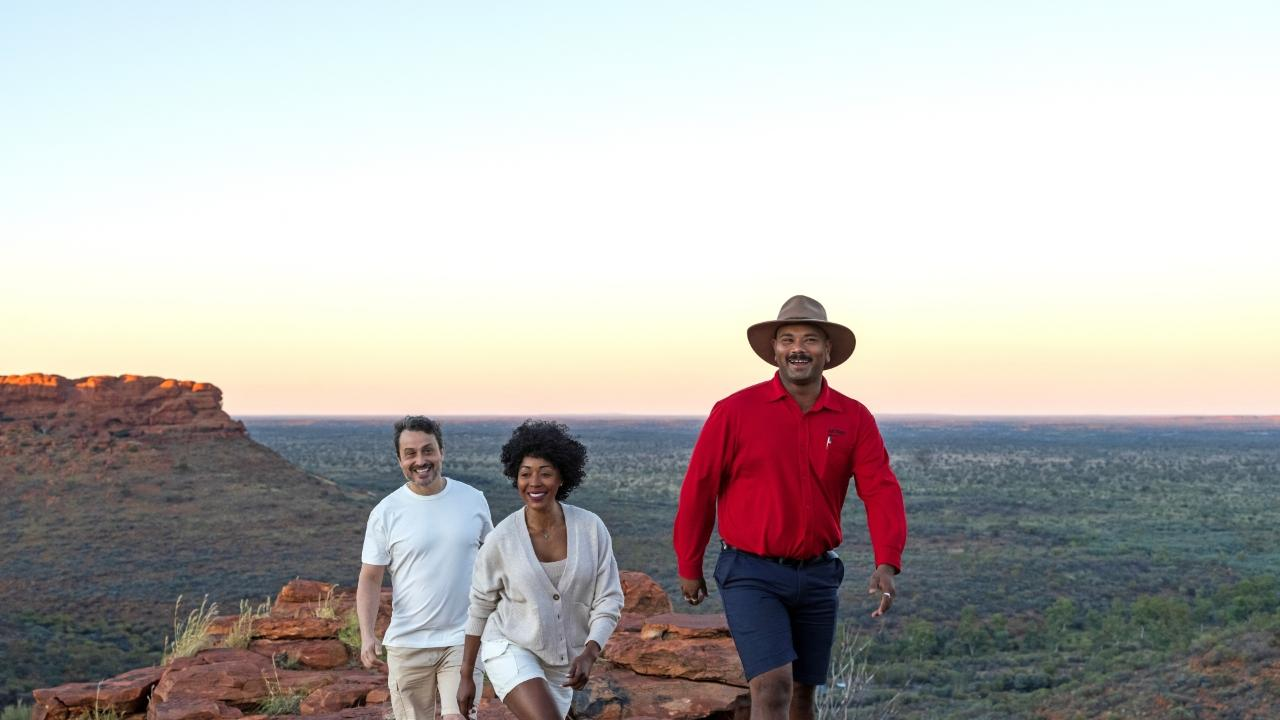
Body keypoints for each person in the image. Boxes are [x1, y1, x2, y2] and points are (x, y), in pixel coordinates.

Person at [672, 295, 908, 720]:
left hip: (818, 575)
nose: (798, 348)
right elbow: (699, 488)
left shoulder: (853, 417)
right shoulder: (735, 411)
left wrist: (887, 560)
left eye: (810, 339)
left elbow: (881, 490)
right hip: (751, 572)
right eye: (788, 339)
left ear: (828, 351)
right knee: (772, 686)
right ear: (775, 350)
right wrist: (689, 564)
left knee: (802, 695)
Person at [458, 420, 624, 720]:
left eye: (545, 473)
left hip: (563, 667)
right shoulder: (502, 539)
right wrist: (466, 676)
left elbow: (609, 600)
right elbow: (480, 607)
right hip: (510, 647)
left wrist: (589, 652)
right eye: (525, 474)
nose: (534, 482)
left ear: (562, 477)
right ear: (515, 478)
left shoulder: (591, 529)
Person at [358, 416, 494, 720]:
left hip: (463, 639)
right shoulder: (385, 512)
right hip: (407, 644)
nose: (421, 460)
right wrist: (367, 636)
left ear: (441, 451)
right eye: (411, 454)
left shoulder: (473, 500)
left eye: (428, 450)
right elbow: (370, 578)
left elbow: (493, 564)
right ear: (400, 460)